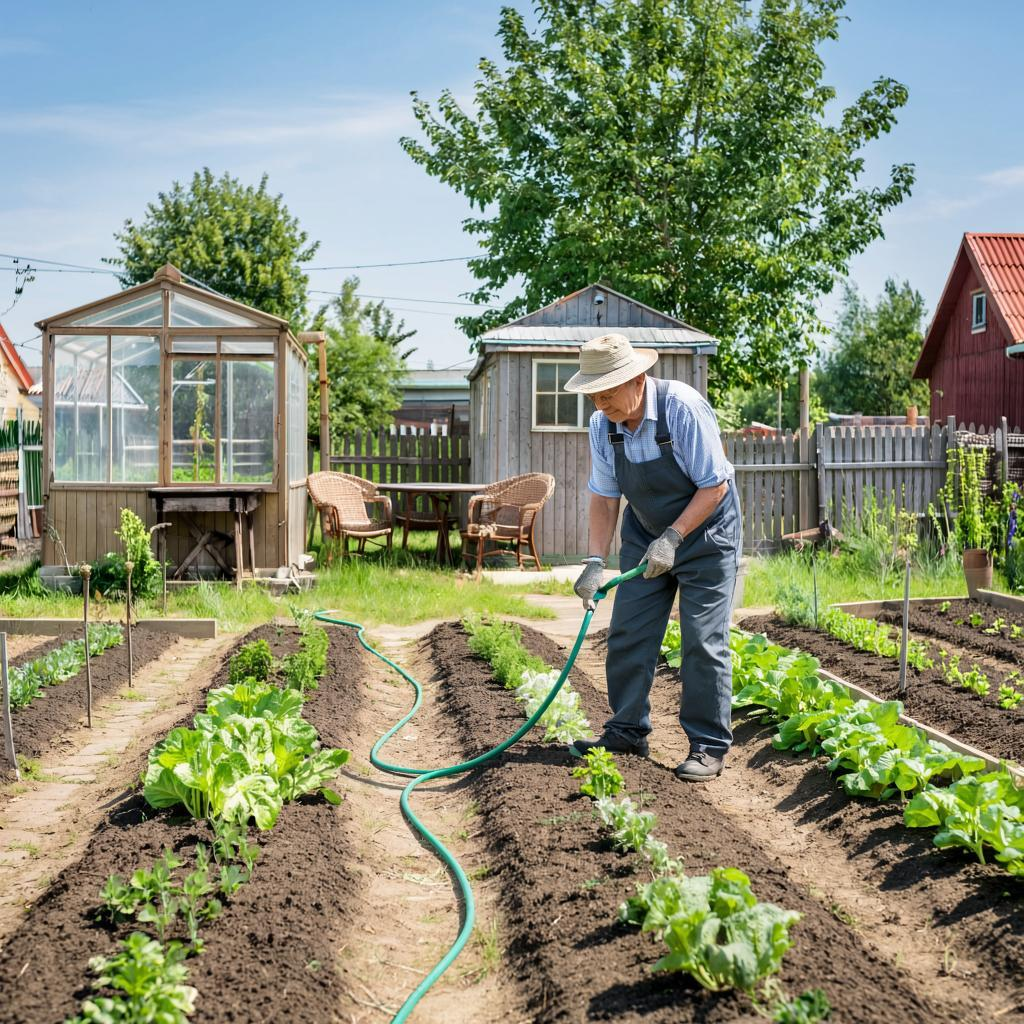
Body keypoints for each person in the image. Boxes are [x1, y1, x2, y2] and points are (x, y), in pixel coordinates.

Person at [566, 333, 741, 781]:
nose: (601, 403)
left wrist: (674, 537)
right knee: (628, 631)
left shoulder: (682, 408)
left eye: (607, 393)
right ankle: (627, 730)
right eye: (594, 395)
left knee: (701, 639)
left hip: (706, 535)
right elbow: (605, 497)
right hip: (646, 535)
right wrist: (594, 561)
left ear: (637, 380)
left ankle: (707, 745)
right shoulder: (603, 425)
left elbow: (714, 485)